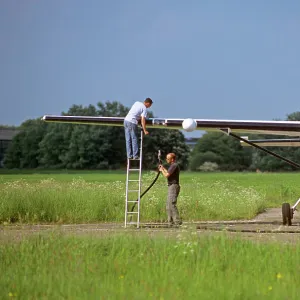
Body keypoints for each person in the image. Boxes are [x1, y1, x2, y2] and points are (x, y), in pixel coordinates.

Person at [159, 153, 182, 226]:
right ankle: (170, 222)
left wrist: (161, 170)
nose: (166, 160)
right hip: (171, 186)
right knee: (168, 205)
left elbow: (166, 175)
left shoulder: (174, 165)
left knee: (172, 204)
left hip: (173, 186)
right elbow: (168, 173)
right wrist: (163, 168)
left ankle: (177, 222)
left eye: (168, 159)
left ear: (172, 159)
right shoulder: (172, 166)